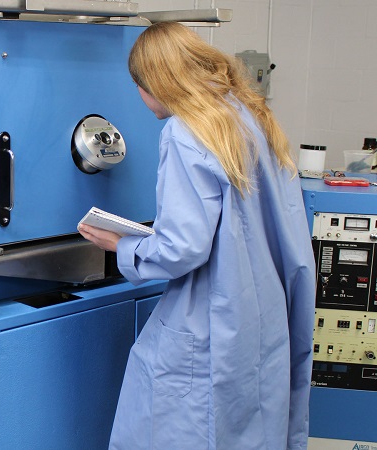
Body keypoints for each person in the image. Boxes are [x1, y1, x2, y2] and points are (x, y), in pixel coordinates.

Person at [78, 22, 316, 450]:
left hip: (210, 325)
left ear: (153, 81)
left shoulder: (186, 132)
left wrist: (122, 245)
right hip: (261, 317)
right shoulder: (247, 116)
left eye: (138, 85)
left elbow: (182, 247)